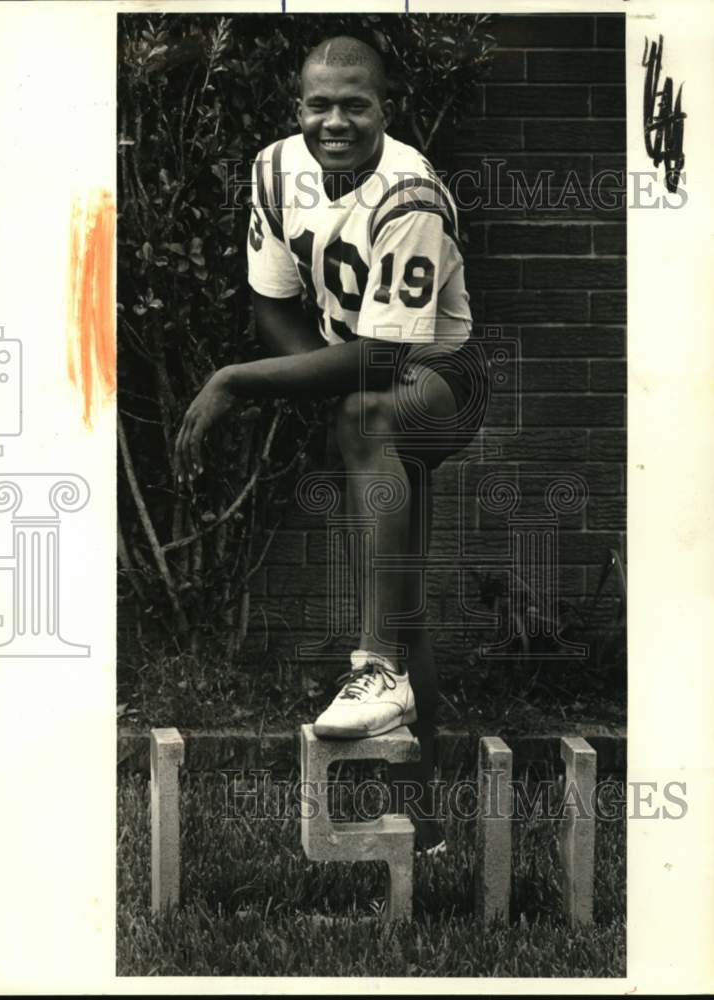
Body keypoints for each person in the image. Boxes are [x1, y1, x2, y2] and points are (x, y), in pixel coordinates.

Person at [175, 35, 488, 851]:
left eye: (356, 104)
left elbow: (389, 354)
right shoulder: (276, 169)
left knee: (366, 418)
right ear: (297, 108)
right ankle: (423, 824)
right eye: (320, 104)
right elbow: (272, 303)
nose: (336, 120)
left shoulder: (409, 193)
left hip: (441, 375)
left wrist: (242, 381)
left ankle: (374, 662)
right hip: (360, 373)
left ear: (388, 109)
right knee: (403, 580)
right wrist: (316, 378)